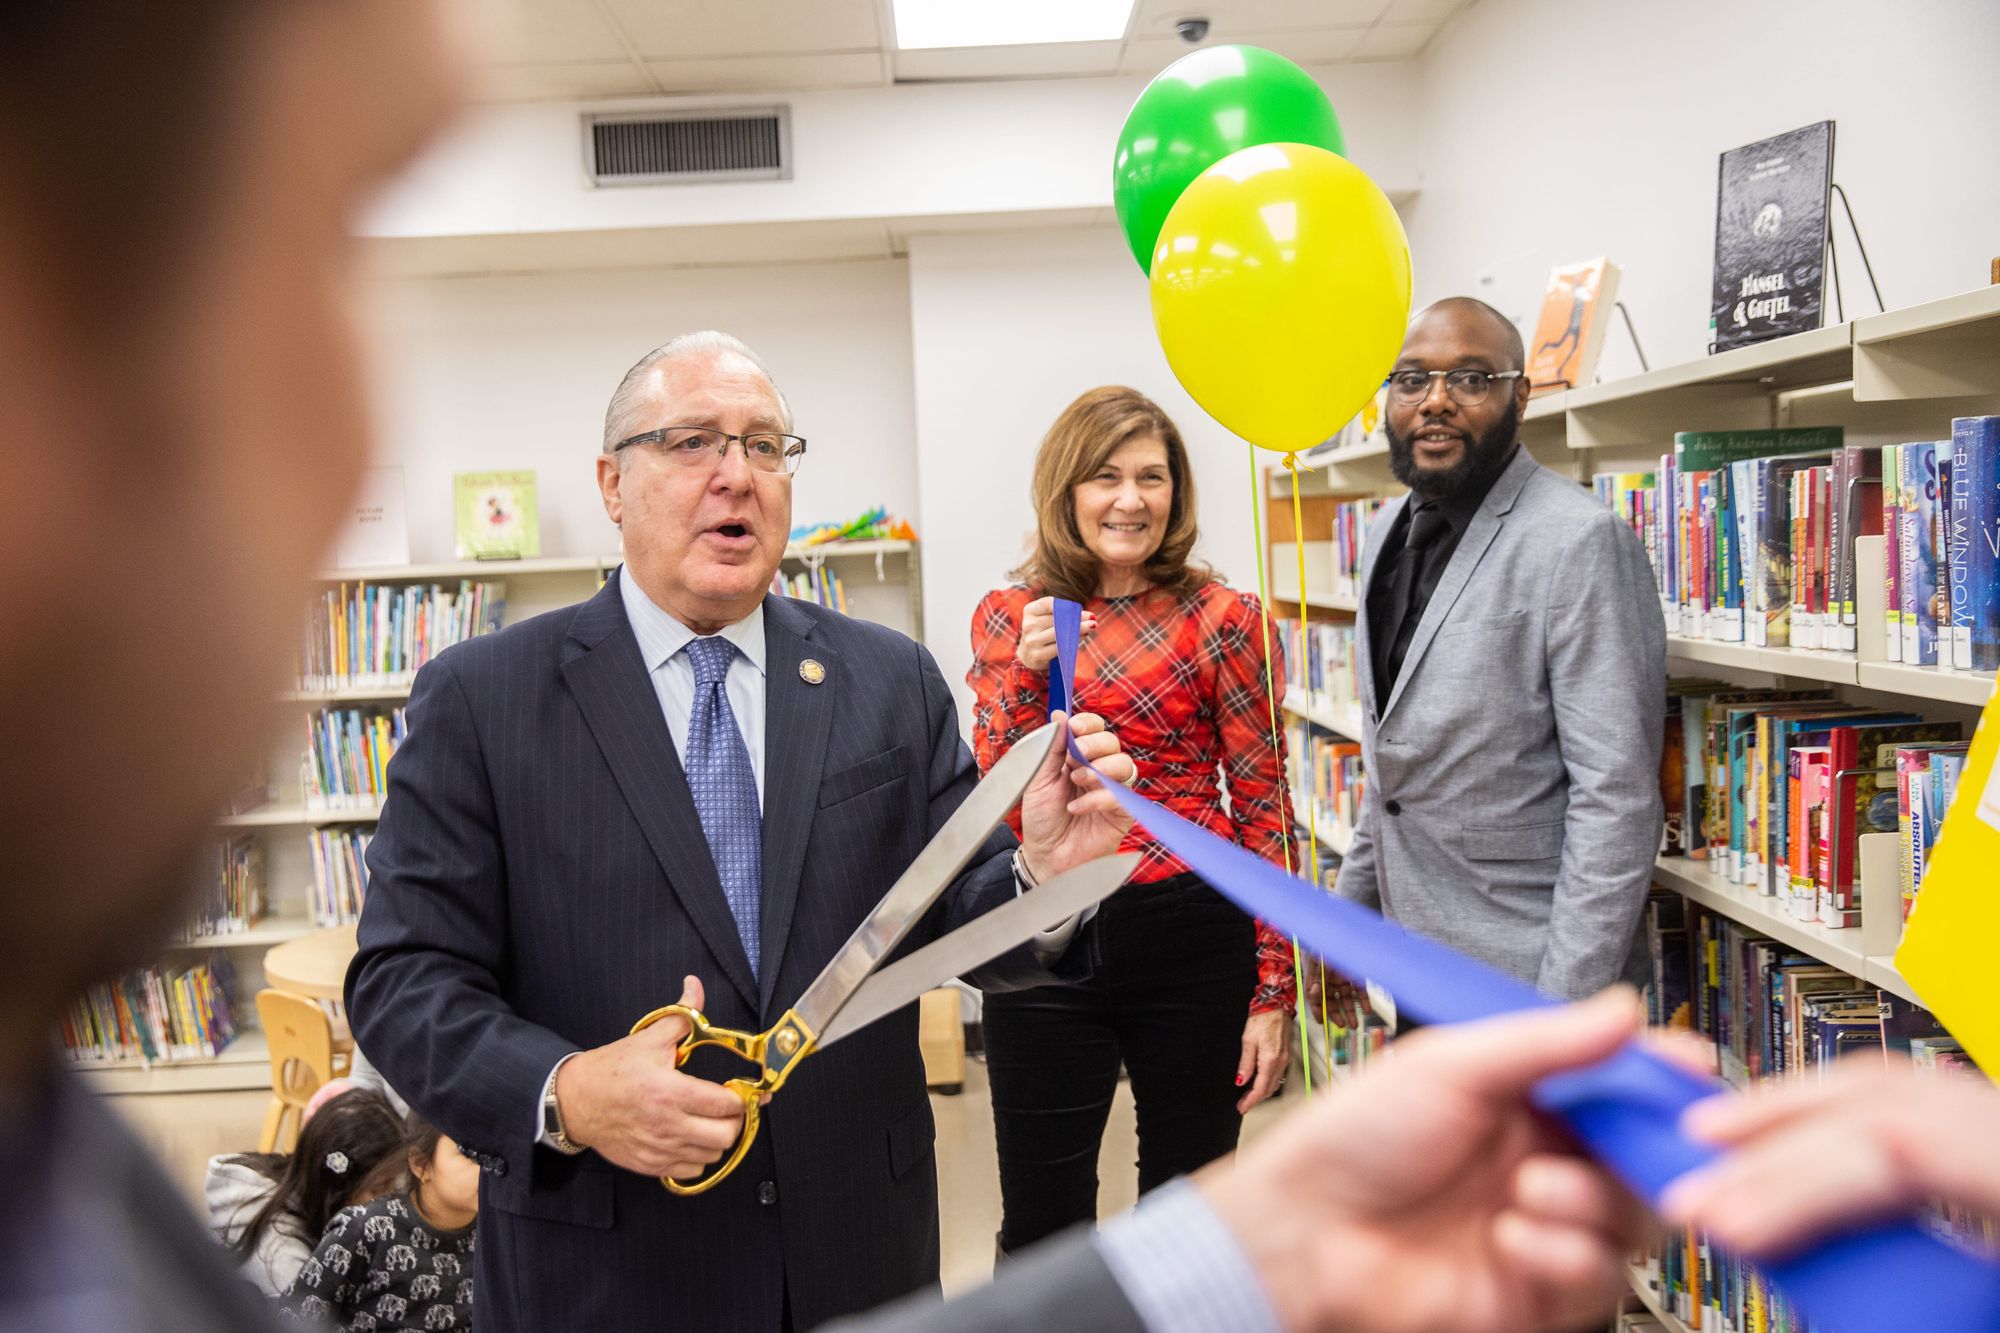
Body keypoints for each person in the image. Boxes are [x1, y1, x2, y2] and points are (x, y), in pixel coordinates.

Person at [345, 331, 1140, 1331]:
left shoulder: (886, 679)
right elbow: (401, 980)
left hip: (859, 1251)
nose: (737, 475)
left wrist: (1036, 876)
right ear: (611, 483)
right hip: (605, 1267)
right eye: (690, 443)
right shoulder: (481, 698)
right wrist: (568, 1090)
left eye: (765, 446)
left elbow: (947, 916)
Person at [967, 386, 1298, 1254]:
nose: (1131, 499)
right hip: (1045, 933)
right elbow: (994, 795)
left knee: (1192, 1221)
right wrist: (1022, 678)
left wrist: (1273, 990)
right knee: (1042, 1223)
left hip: (1191, 934)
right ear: (1066, 489)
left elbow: (1263, 805)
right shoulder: (1013, 618)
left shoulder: (1226, 621)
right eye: (1106, 476)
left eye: (1153, 477)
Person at [1329, 298, 1666, 1000]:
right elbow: (1393, 770)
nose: (1436, 402)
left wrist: (1563, 1010)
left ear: (1521, 397)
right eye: (1412, 379)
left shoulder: (1579, 540)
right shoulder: (1387, 528)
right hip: (1414, 960)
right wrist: (1347, 924)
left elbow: (1617, 799)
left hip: (1529, 975)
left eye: (1473, 379)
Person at [279, 1112, 478, 1330]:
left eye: (495, 1156)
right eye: (468, 1154)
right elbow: (295, 1317)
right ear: (420, 1164)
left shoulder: (498, 1236)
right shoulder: (366, 1228)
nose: (486, 1169)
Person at [207, 1087, 406, 1297]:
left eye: (394, 1186)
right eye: (378, 1189)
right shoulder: (283, 1261)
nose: (390, 1200)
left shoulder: (303, 1189)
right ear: (336, 1189)